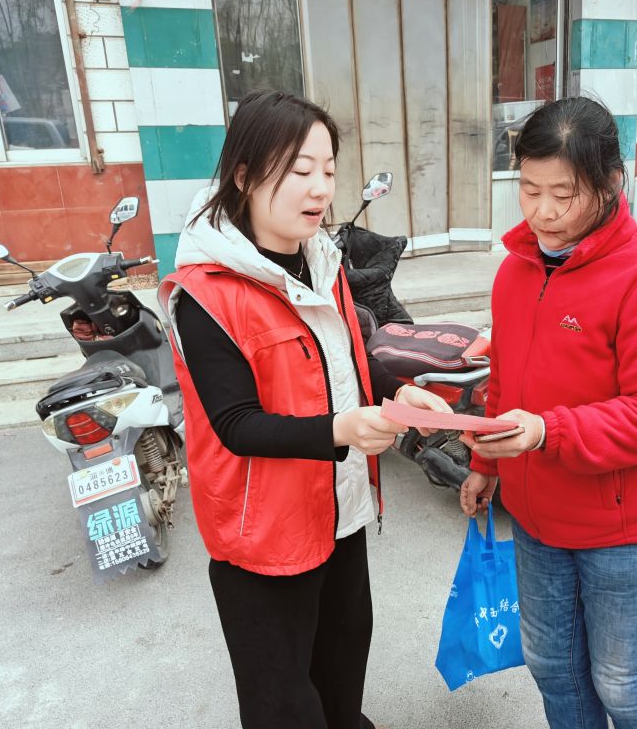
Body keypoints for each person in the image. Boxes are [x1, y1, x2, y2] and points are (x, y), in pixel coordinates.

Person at [158, 89, 450, 729]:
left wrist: (395, 392)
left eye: (328, 171)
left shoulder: (323, 262)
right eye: (299, 171)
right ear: (244, 176)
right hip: (263, 534)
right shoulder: (205, 294)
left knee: (343, 674)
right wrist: (343, 429)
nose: (319, 189)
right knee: (283, 704)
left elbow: (346, 358)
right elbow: (236, 425)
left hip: (340, 513)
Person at [459, 96, 637, 729]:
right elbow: (506, 379)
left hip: (628, 529)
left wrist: (548, 431)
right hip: (538, 518)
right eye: (529, 189)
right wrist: (486, 462)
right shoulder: (517, 270)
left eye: (563, 194)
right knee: (554, 667)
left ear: (610, 183)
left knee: (624, 684)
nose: (542, 211)